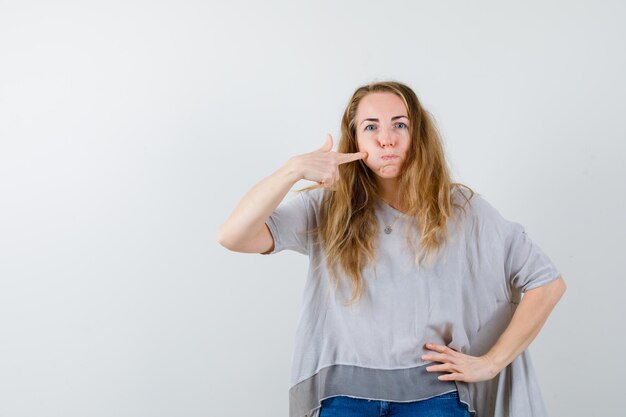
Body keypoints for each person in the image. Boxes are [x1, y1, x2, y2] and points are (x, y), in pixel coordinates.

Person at [218, 81, 566, 417]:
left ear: (418, 134)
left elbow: (547, 283)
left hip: (436, 399)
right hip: (343, 399)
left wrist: (490, 363)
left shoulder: (460, 208)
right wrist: (293, 170)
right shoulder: (328, 206)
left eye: (400, 124)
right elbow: (233, 236)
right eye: (371, 127)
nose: (386, 139)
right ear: (354, 137)